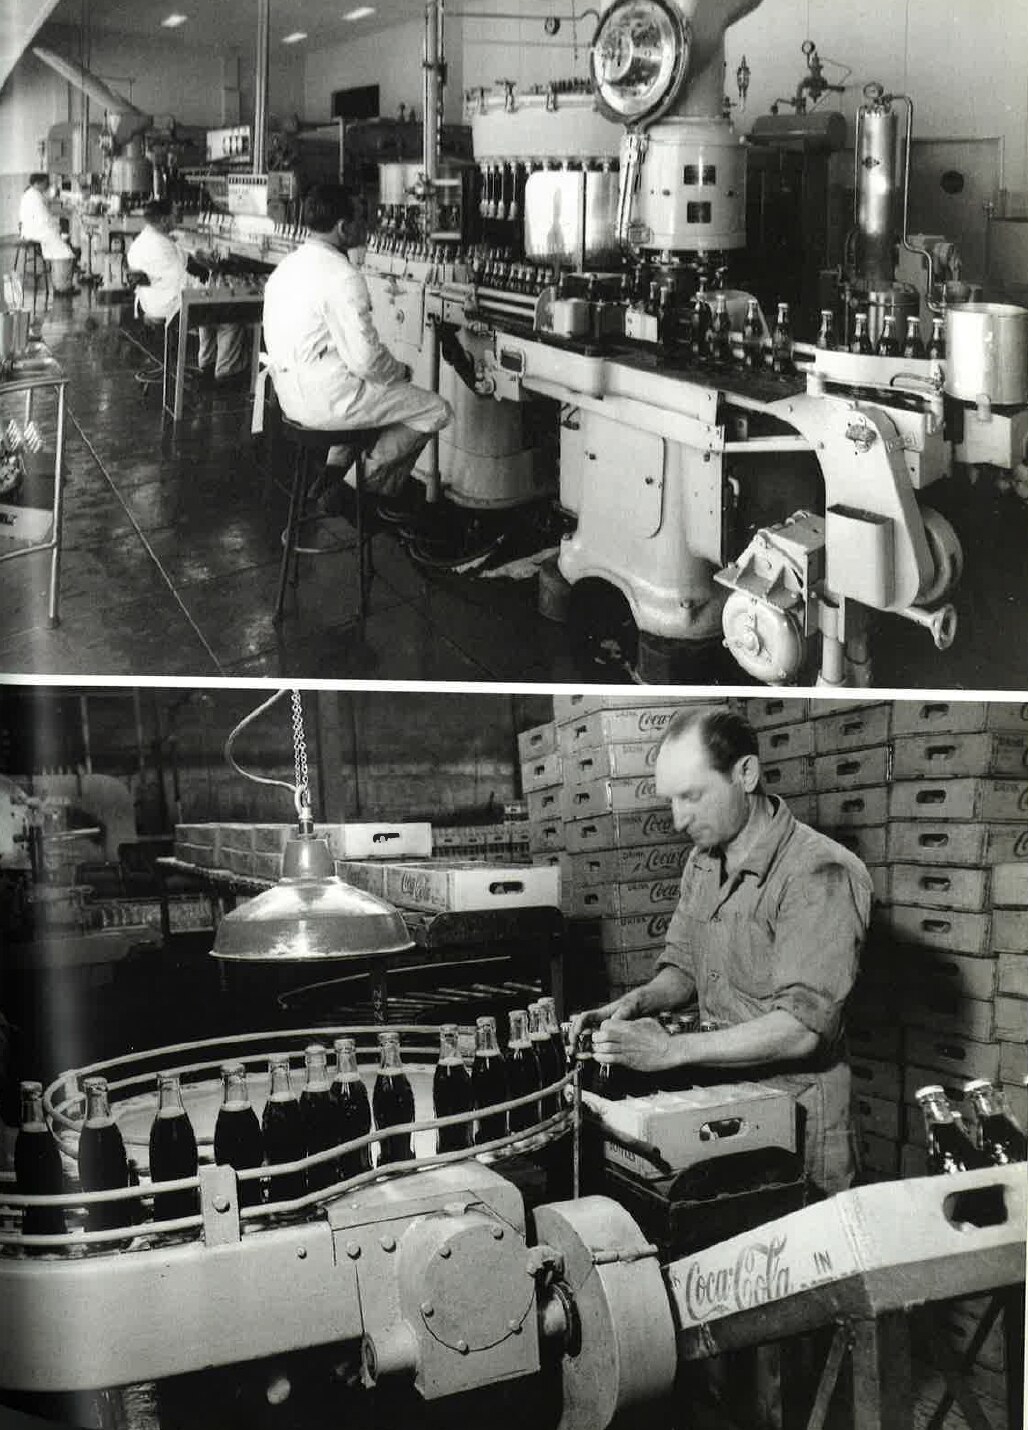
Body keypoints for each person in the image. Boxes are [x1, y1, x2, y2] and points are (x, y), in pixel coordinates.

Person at [574, 707, 872, 1197]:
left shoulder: (818, 874)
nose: (677, 820)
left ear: (746, 774)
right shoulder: (703, 861)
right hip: (726, 1109)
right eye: (671, 800)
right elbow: (684, 969)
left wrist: (670, 1051)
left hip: (801, 1126)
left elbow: (801, 1032)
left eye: (692, 796)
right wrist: (634, 1005)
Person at [261, 183, 452, 516]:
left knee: (371, 393)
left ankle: (332, 475)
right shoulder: (343, 276)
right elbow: (366, 361)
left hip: (289, 398)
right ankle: (355, 492)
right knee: (435, 409)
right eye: (362, 218)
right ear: (343, 227)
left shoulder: (285, 269)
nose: (368, 225)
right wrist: (400, 372)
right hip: (327, 403)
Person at [126, 199, 248, 385]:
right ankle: (226, 373)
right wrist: (216, 287)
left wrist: (196, 256)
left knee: (211, 310)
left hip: (150, 302)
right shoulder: (160, 245)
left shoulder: (144, 240)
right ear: (165, 220)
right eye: (175, 215)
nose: (178, 218)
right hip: (169, 306)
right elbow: (182, 282)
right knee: (230, 315)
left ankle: (207, 363)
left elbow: (174, 265)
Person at [18, 173, 79, 294]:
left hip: (30, 231)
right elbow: (45, 219)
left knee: (57, 248)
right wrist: (58, 228)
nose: (47, 185)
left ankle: (59, 284)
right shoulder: (35, 196)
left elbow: (45, 212)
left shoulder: (30, 194)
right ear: (39, 183)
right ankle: (63, 288)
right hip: (38, 231)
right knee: (66, 253)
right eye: (46, 182)